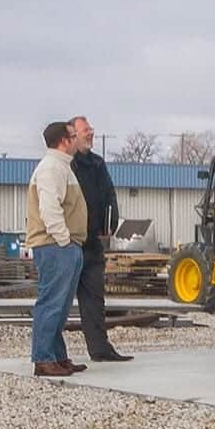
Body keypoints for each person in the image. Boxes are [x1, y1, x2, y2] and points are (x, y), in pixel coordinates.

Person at [26, 120, 89, 378]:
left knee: (60, 306)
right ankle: (43, 359)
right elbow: (49, 208)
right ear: (64, 141)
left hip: (64, 245)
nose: (77, 139)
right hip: (55, 246)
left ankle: (57, 356)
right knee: (51, 303)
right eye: (73, 136)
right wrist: (64, 240)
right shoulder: (51, 168)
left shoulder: (62, 167)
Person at [67, 114, 131, 362]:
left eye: (91, 128)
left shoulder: (97, 164)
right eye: (86, 130)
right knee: (59, 300)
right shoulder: (66, 164)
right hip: (69, 242)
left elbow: (109, 194)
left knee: (94, 298)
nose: (91, 133)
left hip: (92, 242)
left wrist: (110, 224)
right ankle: (50, 353)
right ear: (73, 135)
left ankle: (100, 348)